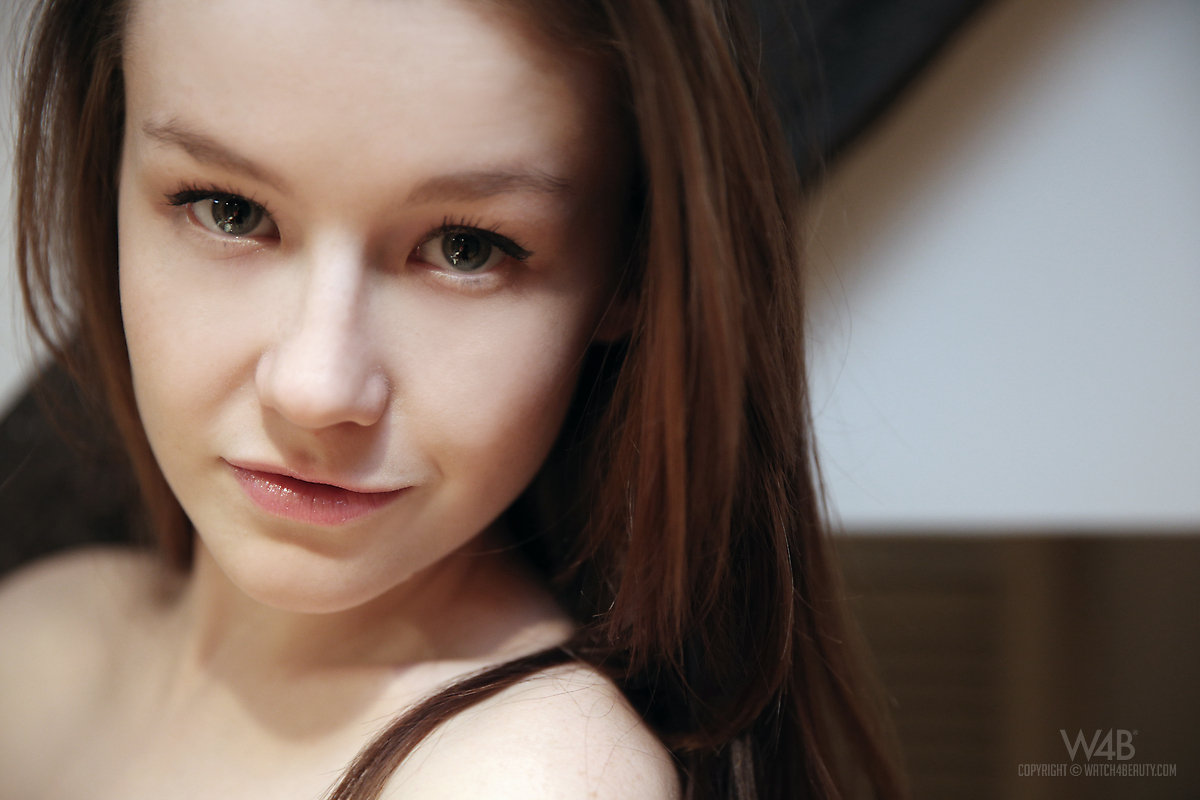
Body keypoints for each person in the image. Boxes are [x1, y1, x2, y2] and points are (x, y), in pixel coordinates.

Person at [0, 0, 906, 797]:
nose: (317, 389)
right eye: (229, 209)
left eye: (467, 248)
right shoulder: (40, 643)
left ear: (629, 269)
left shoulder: (534, 775)